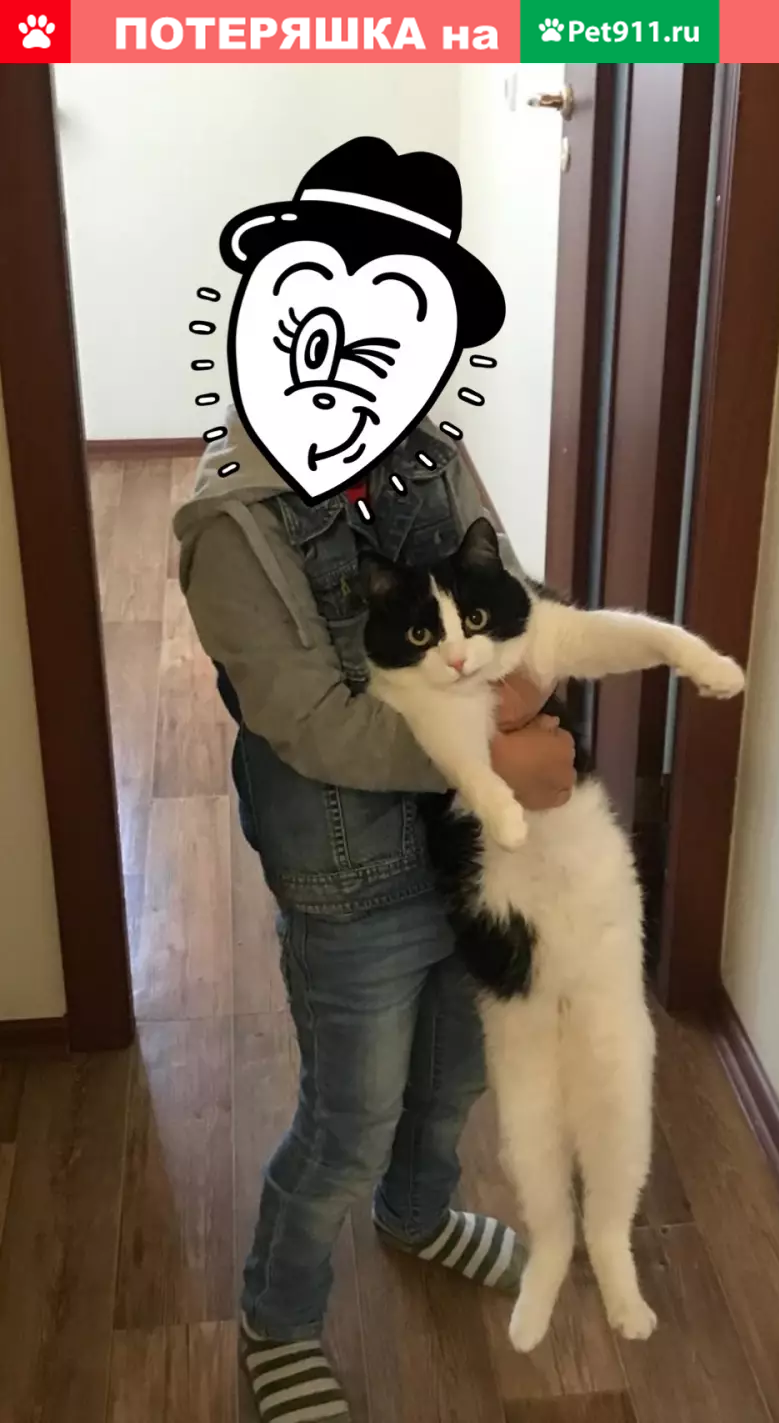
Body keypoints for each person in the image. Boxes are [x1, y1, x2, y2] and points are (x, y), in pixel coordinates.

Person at [175, 409, 576, 1422]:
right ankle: (277, 1315)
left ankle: (417, 1212)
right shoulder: (232, 523)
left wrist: (535, 661)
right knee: (347, 1126)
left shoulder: (429, 454)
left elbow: (515, 602)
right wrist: (495, 755)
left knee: (452, 1080)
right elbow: (312, 722)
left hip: (476, 868)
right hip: (349, 890)